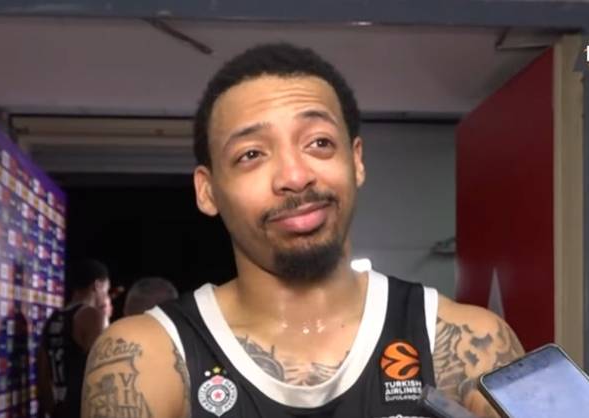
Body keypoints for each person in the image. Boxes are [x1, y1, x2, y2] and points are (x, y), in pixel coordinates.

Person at [81, 43, 524, 418]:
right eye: (251, 154)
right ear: (207, 191)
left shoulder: (471, 342)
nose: (294, 176)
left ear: (356, 161)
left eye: (319, 143)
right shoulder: (146, 357)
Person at [37, 259, 112, 418]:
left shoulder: (52, 319)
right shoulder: (93, 316)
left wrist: (54, 411)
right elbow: (103, 373)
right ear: (97, 285)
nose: (105, 296)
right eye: (106, 289)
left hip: (59, 411)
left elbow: (43, 376)